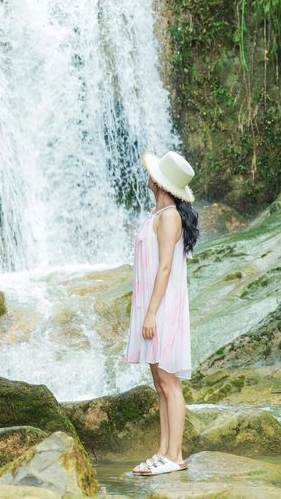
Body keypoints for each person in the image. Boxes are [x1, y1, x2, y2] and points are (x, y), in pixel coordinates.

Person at [125, 149, 200, 476]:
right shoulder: (158, 215)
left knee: (170, 382)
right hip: (152, 306)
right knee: (160, 383)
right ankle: (165, 451)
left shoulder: (169, 217)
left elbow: (166, 266)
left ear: (158, 181)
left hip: (163, 308)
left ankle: (175, 455)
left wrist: (153, 312)